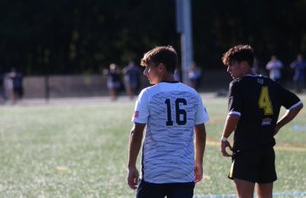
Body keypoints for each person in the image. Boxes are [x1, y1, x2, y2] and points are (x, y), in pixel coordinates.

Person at [220, 45, 303, 198]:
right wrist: (277, 126)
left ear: (244, 64)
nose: (228, 70)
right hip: (267, 151)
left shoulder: (238, 85)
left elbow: (234, 115)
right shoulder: (271, 84)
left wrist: (224, 138)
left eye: (231, 64)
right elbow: (297, 105)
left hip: (245, 151)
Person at [127, 45, 209, 198]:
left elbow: (136, 133)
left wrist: (131, 166)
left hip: (155, 172)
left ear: (160, 68)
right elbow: (201, 133)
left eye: (148, 68)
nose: (145, 72)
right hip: (183, 172)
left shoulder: (148, 94)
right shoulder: (192, 94)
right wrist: (199, 162)